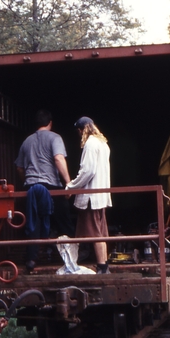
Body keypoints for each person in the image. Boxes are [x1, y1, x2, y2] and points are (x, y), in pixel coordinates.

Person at [14, 109, 75, 272]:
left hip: (32, 188)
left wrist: (28, 182)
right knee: (64, 221)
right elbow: (58, 158)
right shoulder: (55, 138)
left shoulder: (27, 141)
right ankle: (71, 258)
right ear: (50, 123)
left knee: (34, 223)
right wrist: (68, 183)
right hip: (51, 188)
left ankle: (31, 260)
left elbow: (19, 168)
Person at [66, 117, 112, 274]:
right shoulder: (103, 143)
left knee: (95, 232)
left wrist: (71, 186)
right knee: (100, 232)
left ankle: (102, 266)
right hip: (101, 196)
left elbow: (88, 171)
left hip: (92, 198)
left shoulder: (90, 144)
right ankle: (103, 265)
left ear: (81, 130)